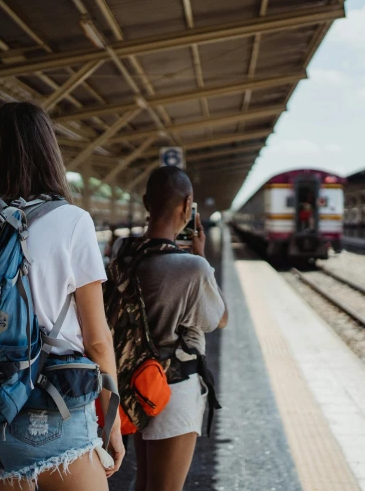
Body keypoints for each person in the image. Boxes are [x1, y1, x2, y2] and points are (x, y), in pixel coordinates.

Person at [0, 102, 125, 490]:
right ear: (49, 152)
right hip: (53, 412)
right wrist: (113, 423)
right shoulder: (72, 221)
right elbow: (98, 341)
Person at [111, 166, 227, 491]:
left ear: (147, 202)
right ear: (187, 205)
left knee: (143, 481)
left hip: (133, 382)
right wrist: (202, 256)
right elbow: (219, 318)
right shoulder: (193, 267)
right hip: (173, 386)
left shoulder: (123, 252)